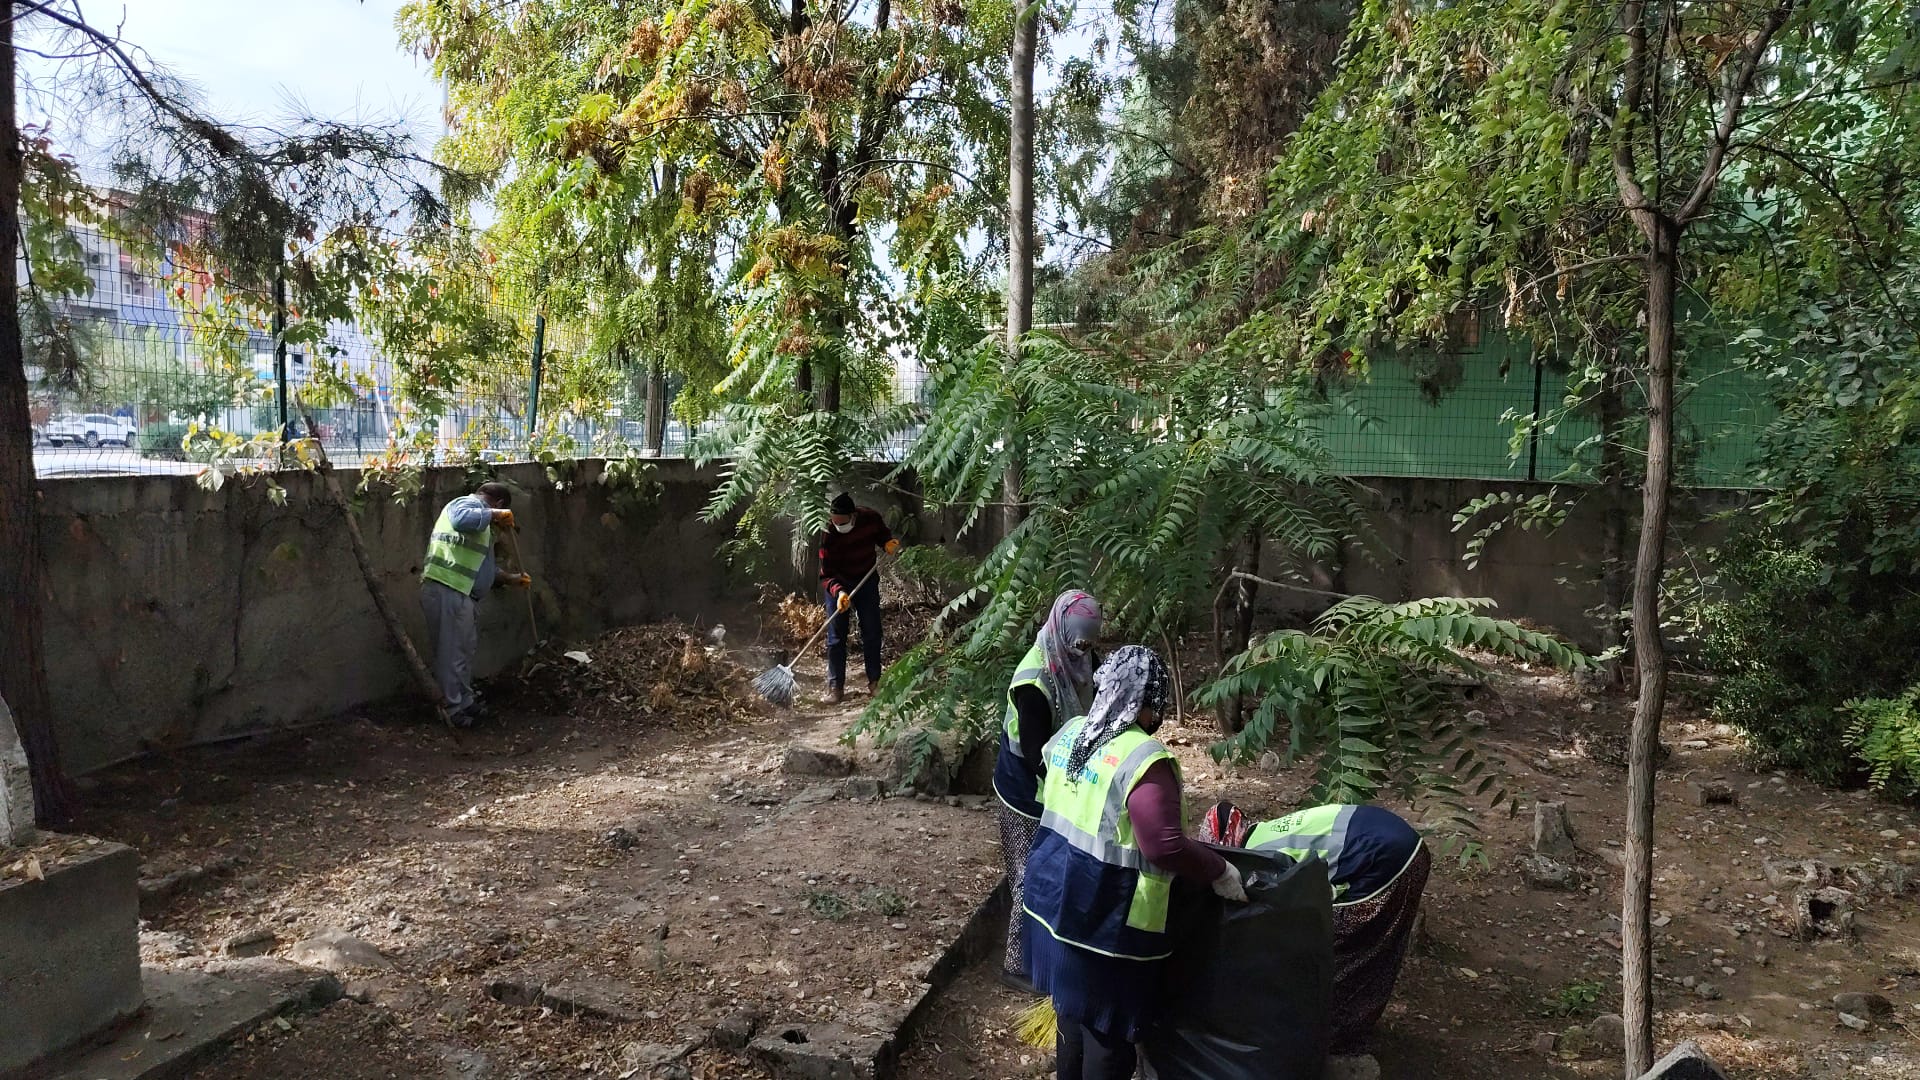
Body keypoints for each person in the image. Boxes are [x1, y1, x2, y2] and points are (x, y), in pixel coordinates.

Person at [1023, 646, 1249, 1080]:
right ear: (1148, 703)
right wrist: (1220, 871)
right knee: (1109, 1041)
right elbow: (1163, 846)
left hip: (1052, 902)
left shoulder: (1071, 734)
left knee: (1071, 1015)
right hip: (1106, 923)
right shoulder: (1143, 759)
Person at [1199, 800, 1430, 1053]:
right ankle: (1343, 1029)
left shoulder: (1256, 857)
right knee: (1374, 949)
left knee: (1345, 953)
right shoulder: (1265, 831)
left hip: (1385, 858)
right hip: (1403, 846)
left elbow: (1291, 912)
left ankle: (1328, 1039)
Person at [992, 589, 1103, 993]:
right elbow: (1036, 756)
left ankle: (1050, 950)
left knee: (1057, 871)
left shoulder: (1082, 657)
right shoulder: (1034, 683)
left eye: (1090, 644)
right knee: (1027, 872)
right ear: (1059, 630)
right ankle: (1016, 965)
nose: (1084, 653)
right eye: (1078, 644)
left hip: (1061, 780)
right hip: (1024, 790)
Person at [419, 481, 530, 726]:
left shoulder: (482, 528)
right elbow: (460, 519)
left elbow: (482, 568)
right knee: (451, 651)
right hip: (447, 588)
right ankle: (452, 708)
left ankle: (464, 701)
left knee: (463, 651)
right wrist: (494, 514)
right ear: (499, 503)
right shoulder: (465, 504)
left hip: (461, 593)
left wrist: (511, 579)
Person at [816, 491, 899, 704]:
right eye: (835, 522)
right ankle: (836, 687)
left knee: (872, 632)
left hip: (866, 580)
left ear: (853, 516)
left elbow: (883, 535)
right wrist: (839, 592)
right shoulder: (828, 533)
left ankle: (874, 682)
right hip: (839, 585)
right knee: (836, 638)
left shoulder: (870, 518)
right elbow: (826, 575)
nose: (838, 526)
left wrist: (888, 543)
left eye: (842, 522)